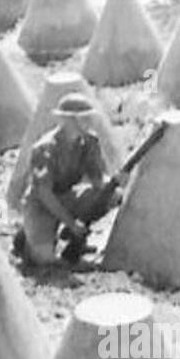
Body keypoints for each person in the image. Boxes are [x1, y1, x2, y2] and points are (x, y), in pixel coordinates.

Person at [14, 93, 126, 266]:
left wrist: (114, 181)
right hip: (42, 205)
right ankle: (27, 239)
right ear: (68, 120)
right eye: (83, 118)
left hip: (67, 197)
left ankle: (72, 237)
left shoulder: (89, 142)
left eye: (89, 117)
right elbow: (44, 194)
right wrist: (72, 223)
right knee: (44, 261)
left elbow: (97, 180)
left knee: (112, 195)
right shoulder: (45, 149)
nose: (89, 122)